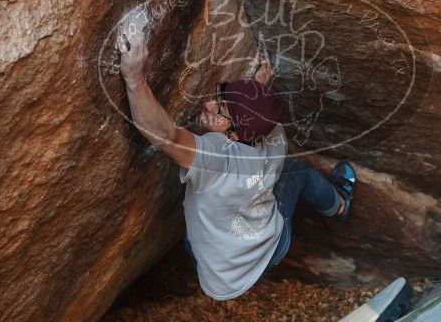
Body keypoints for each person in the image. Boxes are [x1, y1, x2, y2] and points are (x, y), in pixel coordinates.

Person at [118, 30, 357, 300]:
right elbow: (259, 116)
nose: (208, 104)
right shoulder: (275, 134)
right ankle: (338, 205)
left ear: (232, 136)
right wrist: (258, 88)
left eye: (219, 109)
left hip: (217, 274)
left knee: (196, 227)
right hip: (268, 247)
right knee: (293, 169)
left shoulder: (218, 159)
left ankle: (339, 205)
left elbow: (168, 136)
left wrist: (135, 78)